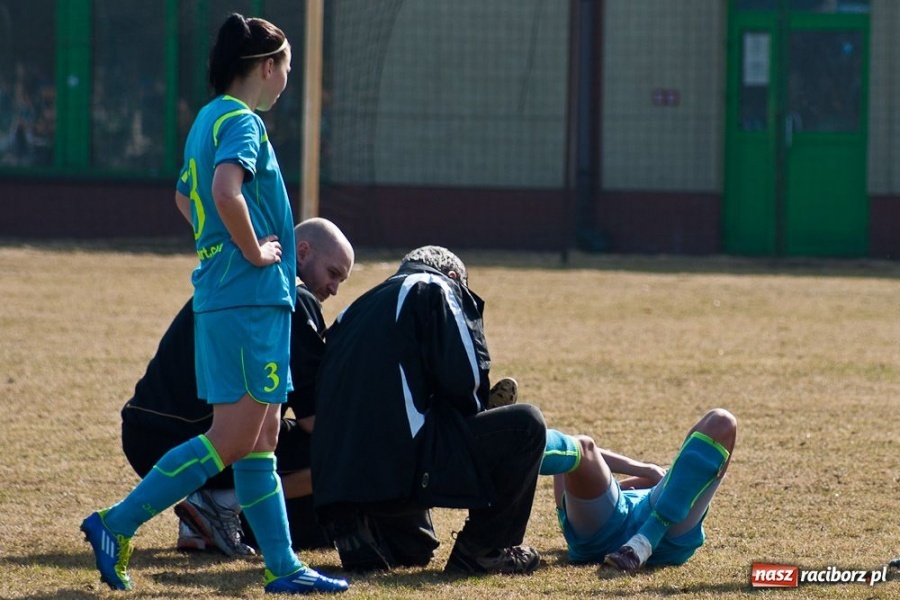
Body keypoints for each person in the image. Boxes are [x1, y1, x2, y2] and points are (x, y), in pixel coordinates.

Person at [81, 14, 348, 594]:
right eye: (286, 70)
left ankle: (283, 567)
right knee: (230, 438)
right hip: (248, 301)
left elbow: (187, 195)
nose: (286, 82)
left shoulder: (206, 119)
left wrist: (219, 245)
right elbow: (225, 191)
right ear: (265, 67)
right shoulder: (243, 122)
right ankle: (114, 524)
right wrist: (252, 251)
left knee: (263, 440)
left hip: (238, 300)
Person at [120, 218, 354, 557]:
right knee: (338, 454)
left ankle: (209, 512)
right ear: (302, 252)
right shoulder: (291, 296)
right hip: (193, 440)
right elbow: (313, 419)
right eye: (333, 273)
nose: (334, 289)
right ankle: (221, 503)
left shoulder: (234, 272)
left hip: (145, 431)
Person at [311, 245, 547, 575]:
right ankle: (482, 550)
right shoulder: (436, 286)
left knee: (415, 550)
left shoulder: (352, 310)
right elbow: (465, 382)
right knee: (526, 425)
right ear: (453, 276)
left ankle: (355, 528)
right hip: (400, 467)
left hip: (337, 483)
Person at [538, 409, 737, 571]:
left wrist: (644, 472)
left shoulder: (660, 488)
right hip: (625, 530)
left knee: (721, 421)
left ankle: (646, 538)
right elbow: (586, 453)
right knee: (579, 446)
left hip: (654, 525)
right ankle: (518, 442)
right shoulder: (601, 499)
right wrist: (644, 469)